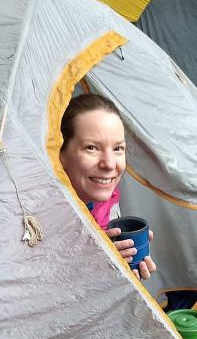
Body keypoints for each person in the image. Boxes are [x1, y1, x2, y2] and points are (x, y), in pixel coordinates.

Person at [59, 93, 157, 279]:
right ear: (61, 154)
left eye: (118, 148)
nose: (110, 164)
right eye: (92, 148)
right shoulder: (36, 212)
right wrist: (89, 264)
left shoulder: (107, 201)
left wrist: (122, 271)